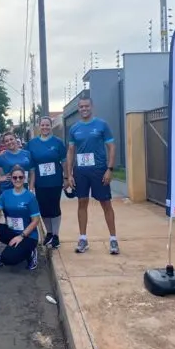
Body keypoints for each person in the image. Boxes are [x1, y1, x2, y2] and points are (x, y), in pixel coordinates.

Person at [66, 95, 120, 255]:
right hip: (81, 172)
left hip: (99, 171)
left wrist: (109, 169)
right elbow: (70, 151)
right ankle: (83, 239)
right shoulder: (74, 128)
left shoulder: (102, 125)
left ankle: (113, 240)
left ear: (92, 107)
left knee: (106, 203)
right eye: (81, 107)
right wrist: (69, 174)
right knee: (82, 203)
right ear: (78, 109)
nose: (84, 109)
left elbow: (111, 147)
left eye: (86, 106)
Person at [0, 165, 41, 271]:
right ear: (11, 178)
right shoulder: (6, 194)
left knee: (9, 259)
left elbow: (36, 220)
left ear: (24, 178)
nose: (17, 180)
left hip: (28, 236)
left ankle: (31, 252)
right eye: (15, 177)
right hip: (11, 231)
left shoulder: (30, 197)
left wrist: (21, 236)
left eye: (20, 177)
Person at [26, 116, 67, 249]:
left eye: (47, 125)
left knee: (54, 207)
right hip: (40, 182)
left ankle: (56, 235)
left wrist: (67, 177)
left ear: (51, 126)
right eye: (42, 125)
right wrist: (31, 185)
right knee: (43, 208)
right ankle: (49, 233)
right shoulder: (32, 144)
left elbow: (64, 161)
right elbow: (30, 166)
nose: (45, 127)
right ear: (39, 126)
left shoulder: (58, 142)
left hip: (55, 181)